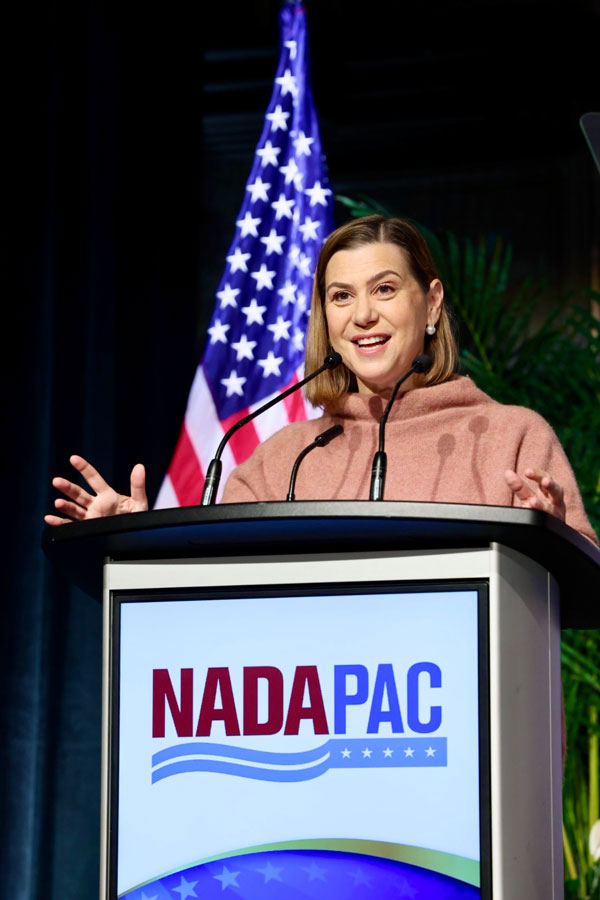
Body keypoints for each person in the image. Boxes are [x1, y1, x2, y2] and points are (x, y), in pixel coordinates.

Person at [44, 215, 597, 546]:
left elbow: (583, 589)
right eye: (341, 296)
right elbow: (215, 585)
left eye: (384, 289)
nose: (363, 315)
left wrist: (550, 540)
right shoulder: (283, 458)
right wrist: (137, 541)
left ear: (431, 304)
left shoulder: (510, 436)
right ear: (326, 320)